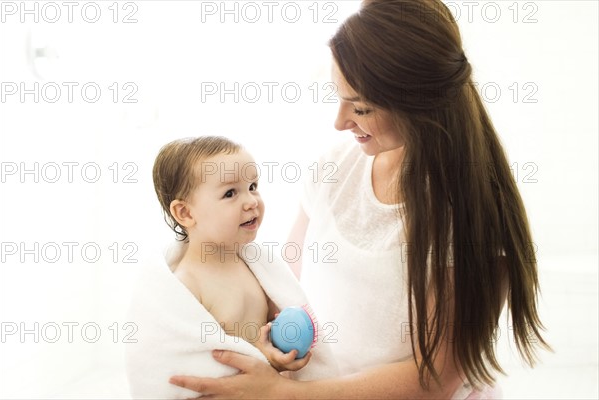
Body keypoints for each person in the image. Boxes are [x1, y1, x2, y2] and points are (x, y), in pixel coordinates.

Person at [169, 1, 550, 398]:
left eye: (362, 107)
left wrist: (282, 394)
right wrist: (270, 345)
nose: (340, 121)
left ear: (420, 102)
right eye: (339, 96)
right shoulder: (334, 168)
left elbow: (436, 378)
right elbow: (287, 286)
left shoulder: (470, 210)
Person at [125, 136, 338, 399]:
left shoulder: (255, 266)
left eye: (253, 186)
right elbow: (187, 361)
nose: (251, 201)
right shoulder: (187, 284)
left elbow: (267, 335)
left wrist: (275, 356)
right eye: (230, 193)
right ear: (185, 213)